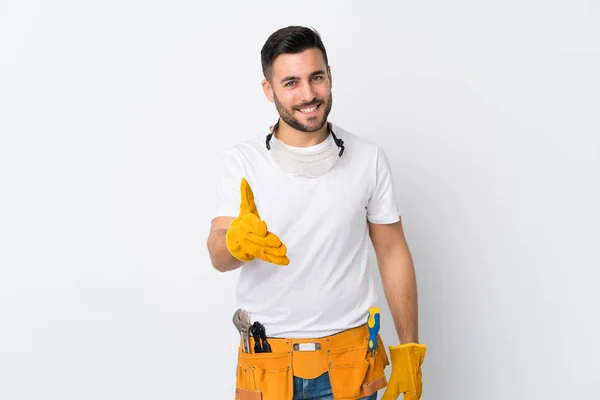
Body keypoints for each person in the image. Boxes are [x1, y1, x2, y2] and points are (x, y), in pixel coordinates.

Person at [207, 26, 427, 400]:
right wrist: (236, 241)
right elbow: (218, 255)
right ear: (269, 90)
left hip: (352, 363)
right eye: (291, 82)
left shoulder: (368, 158)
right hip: (268, 364)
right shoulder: (243, 162)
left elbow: (392, 252)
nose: (308, 95)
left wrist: (409, 349)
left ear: (329, 76)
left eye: (316, 78)